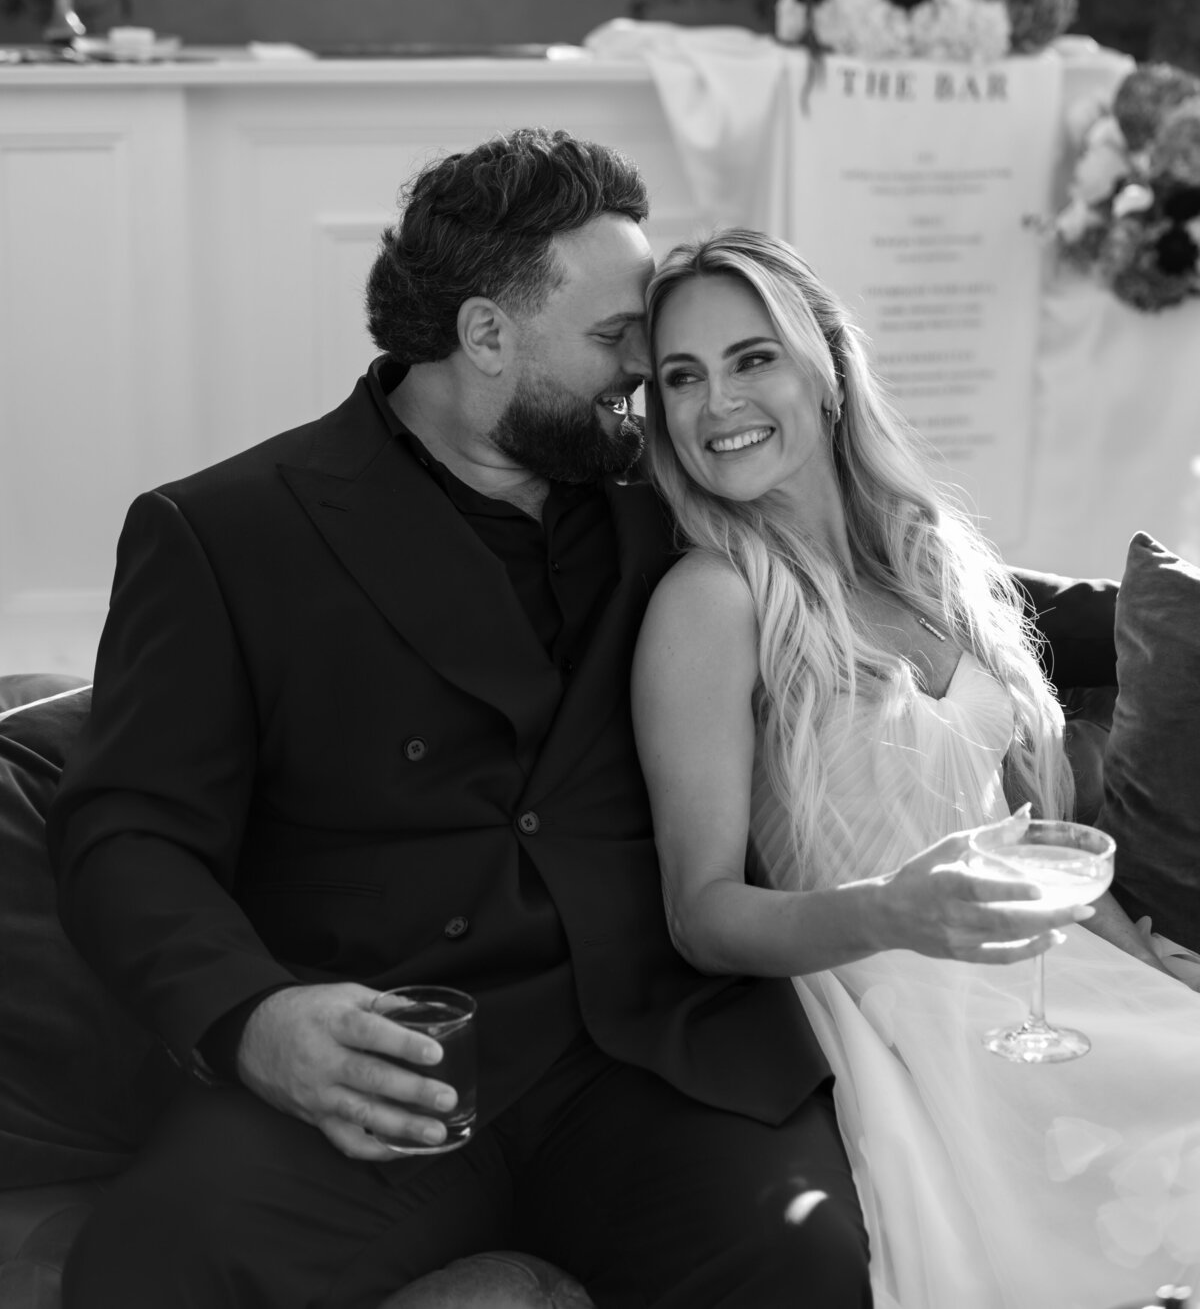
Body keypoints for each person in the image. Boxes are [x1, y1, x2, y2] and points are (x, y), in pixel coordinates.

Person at [46, 131, 875, 1309]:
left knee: (801, 1255)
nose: (651, 370)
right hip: (386, 1066)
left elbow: (883, 563)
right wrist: (254, 1020)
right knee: (150, 1265)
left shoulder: (673, 500)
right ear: (486, 337)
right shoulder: (226, 534)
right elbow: (125, 832)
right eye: (614, 338)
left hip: (642, 1057)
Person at [631, 226, 1200, 1309]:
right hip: (895, 1001)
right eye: (681, 378)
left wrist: (1149, 969)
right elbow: (700, 914)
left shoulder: (932, 557)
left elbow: (1033, 839)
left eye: (754, 358)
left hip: (1052, 978)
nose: (717, 405)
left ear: (828, 370)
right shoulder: (713, 602)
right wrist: (893, 911)